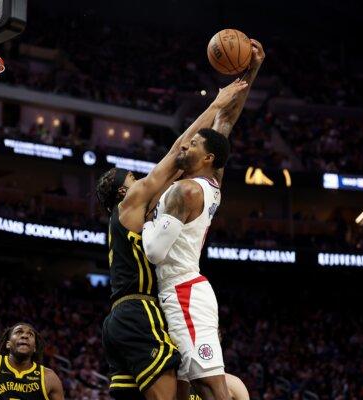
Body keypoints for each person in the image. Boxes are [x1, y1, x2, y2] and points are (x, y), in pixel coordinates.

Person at [96, 80, 249, 400]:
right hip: (141, 308)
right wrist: (216, 104)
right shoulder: (132, 203)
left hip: (119, 319)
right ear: (125, 191)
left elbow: (215, 142)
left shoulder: (136, 215)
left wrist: (242, 86)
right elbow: (178, 150)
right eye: (134, 178)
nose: (143, 181)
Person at [141, 40, 265, 400]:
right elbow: (226, 119)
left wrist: (148, 218)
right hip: (186, 290)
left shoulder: (187, 192)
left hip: (181, 292)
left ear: (208, 157)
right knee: (186, 391)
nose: (185, 145)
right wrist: (251, 70)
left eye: (193, 143)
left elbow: (153, 252)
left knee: (210, 389)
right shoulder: (210, 182)